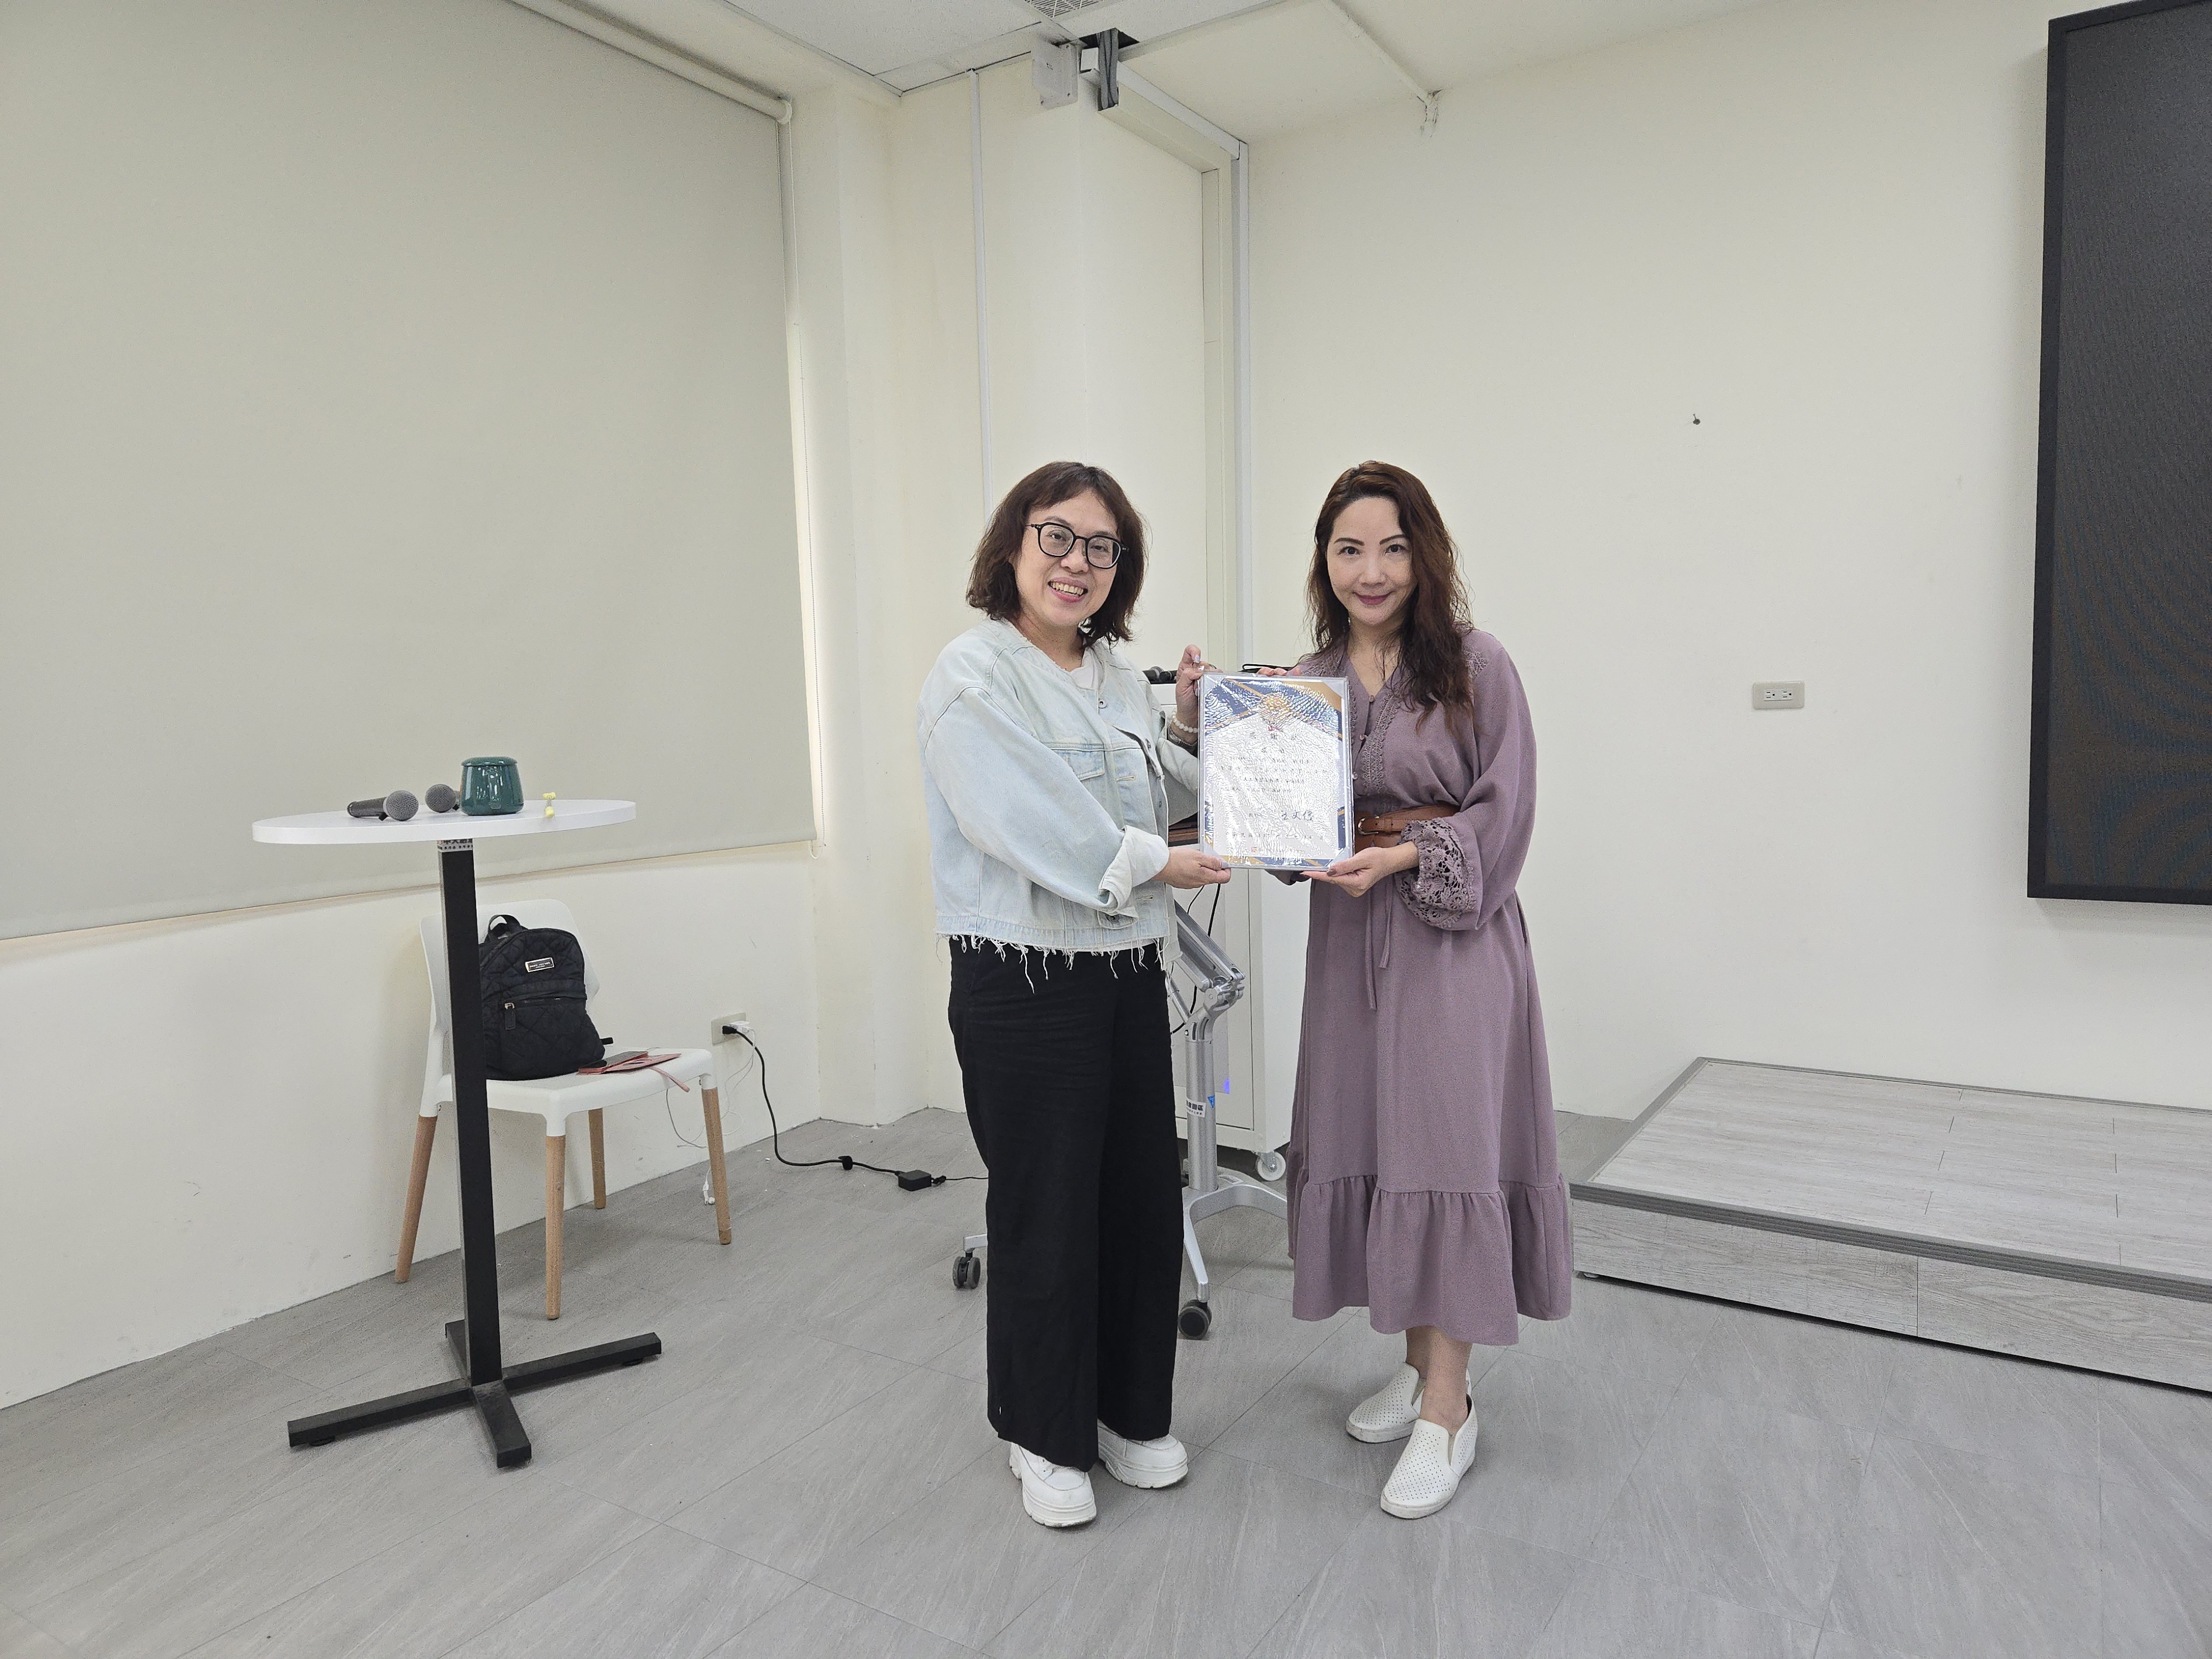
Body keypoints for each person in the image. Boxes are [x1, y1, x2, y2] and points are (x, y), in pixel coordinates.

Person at [916, 460, 1230, 1528]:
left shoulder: (1115, 673)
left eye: (1102, 547)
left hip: (1128, 969)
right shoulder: (972, 675)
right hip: (1024, 975)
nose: (1077, 563)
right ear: (1014, 542)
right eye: (1057, 536)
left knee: (1140, 1199)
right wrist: (1156, 863)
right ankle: (1044, 1433)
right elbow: (1031, 818)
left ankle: (1130, 1413)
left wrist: (1189, 726)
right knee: (1047, 1208)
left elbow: (1159, 791)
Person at [1276, 461, 1572, 1520]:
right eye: (1349, 548)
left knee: (1445, 1155)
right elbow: (1282, 822)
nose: (1371, 570)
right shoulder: (1308, 680)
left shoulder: (1477, 665)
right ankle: (1416, 1373)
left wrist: (1409, 857)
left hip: (1453, 949)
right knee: (1383, 1146)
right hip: (1347, 948)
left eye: (1393, 548)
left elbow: (1508, 809)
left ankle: (1449, 1411)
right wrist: (1199, 730)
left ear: (1426, 554)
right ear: (1324, 559)